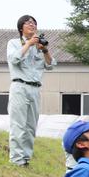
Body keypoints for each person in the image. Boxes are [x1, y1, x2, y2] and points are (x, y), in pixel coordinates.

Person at [6, 15, 55, 167]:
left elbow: (51, 65)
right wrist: (28, 43)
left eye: (34, 23)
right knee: (18, 125)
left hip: (35, 88)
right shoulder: (14, 43)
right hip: (20, 86)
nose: (32, 25)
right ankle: (16, 160)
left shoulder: (39, 46)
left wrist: (44, 49)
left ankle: (25, 159)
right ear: (21, 27)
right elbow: (14, 59)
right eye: (28, 23)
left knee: (30, 126)